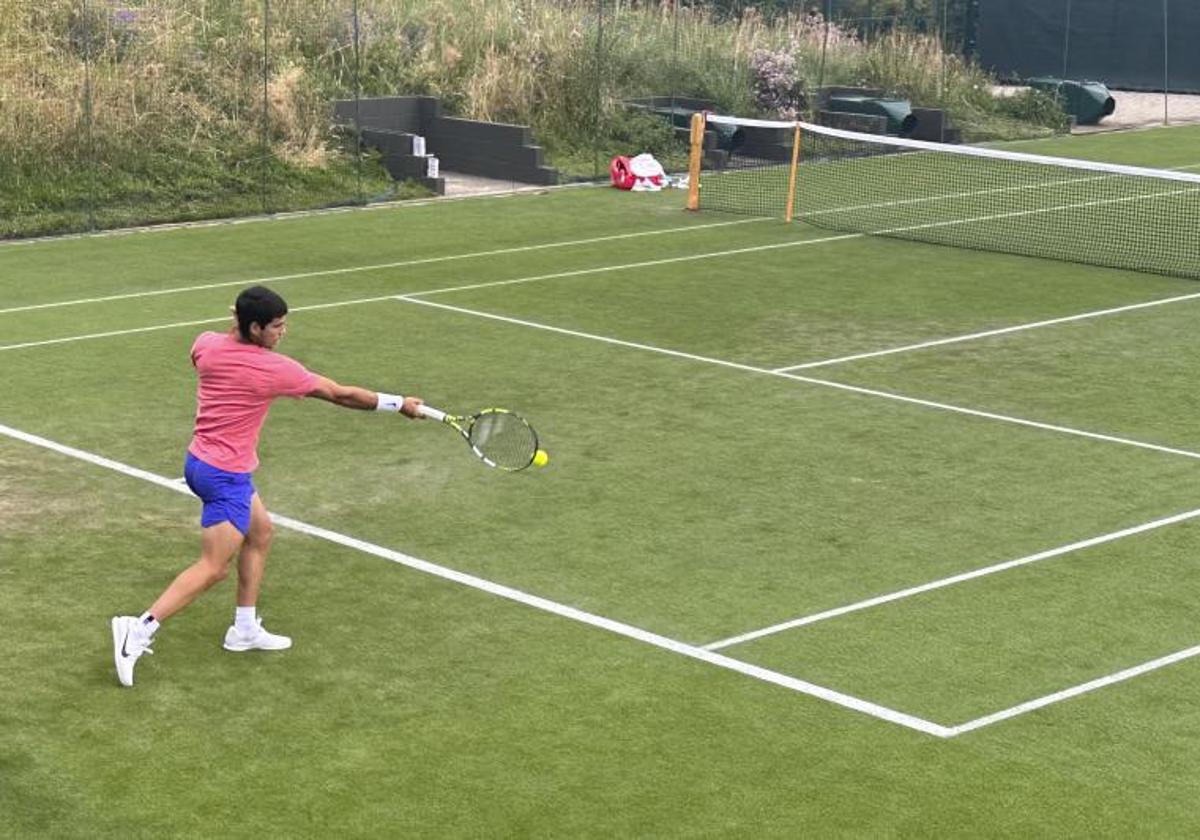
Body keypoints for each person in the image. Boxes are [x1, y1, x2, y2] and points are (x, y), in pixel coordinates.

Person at [111, 285, 423, 687]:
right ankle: (137, 630)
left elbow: (215, 349)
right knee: (212, 568)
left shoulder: (205, 345)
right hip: (226, 476)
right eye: (276, 326)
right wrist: (400, 404)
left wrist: (239, 326)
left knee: (261, 533)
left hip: (200, 463)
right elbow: (339, 394)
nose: (283, 332)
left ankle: (243, 629)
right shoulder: (274, 370)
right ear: (255, 327)